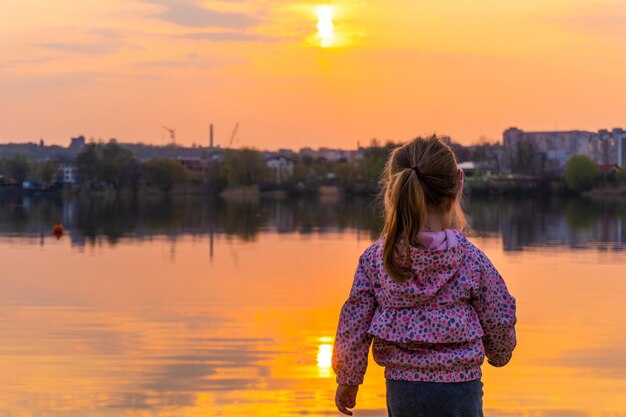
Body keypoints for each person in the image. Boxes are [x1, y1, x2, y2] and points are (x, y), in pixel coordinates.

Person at [332, 136, 517, 417]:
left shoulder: (377, 259)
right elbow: (499, 315)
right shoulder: (471, 259)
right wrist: (500, 354)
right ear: (457, 185)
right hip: (461, 389)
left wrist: (348, 379)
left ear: (394, 191)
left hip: (404, 388)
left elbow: (354, 322)